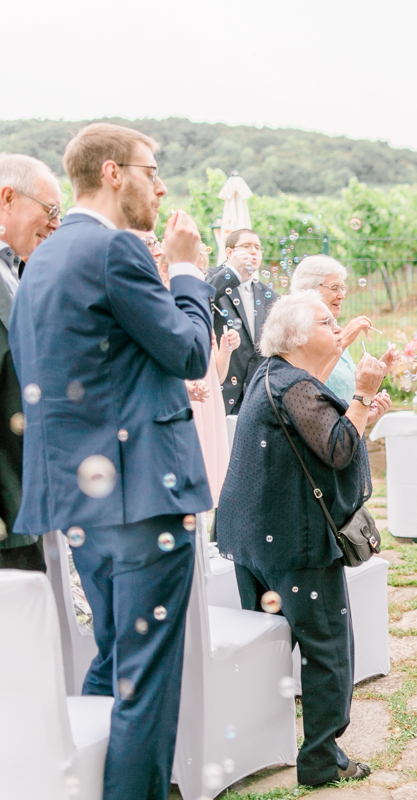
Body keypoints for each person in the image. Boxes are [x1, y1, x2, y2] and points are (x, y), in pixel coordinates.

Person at [11, 122, 214, 800]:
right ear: (111, 173)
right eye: (150, 169)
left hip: (80, 505)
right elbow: (188, 352)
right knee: (146, 689)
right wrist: (186, 270)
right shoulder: (117, 247)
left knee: (117, 662)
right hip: (142, 497)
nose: (161, 185)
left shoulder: (39, 262)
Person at [216, 291, 393, 787]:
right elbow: (338, 449)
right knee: (329, 652)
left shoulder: (270, 374)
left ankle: (255, 745)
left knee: (269, 649)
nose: (337, 329)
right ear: (296, 337)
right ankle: (320, 758)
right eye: (326, 321)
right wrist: (360, 396)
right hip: (293, 542)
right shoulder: (297, 385)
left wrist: (362, 413)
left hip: (253, 536)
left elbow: (313, 440)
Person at [135, 228, 238, 502]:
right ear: (169, 270)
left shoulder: (200, 307)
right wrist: (185, 386)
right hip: (183, 399)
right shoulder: (162, 304)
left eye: (202, 271)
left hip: (208, 399)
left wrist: (226, 349)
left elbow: (215, 374)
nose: (201, 279)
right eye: (195, 270)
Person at [0, 153, 61, 571]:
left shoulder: (17, 271)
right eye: (50, 210)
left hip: (25, 495)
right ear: (7, 197)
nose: (56, 223)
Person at [208, 228, 277, 414]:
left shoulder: (269, 295)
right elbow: (202, 299)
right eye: (246, 246)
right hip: (220, 392)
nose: (253, 251)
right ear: (229, 252)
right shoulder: (212, 279)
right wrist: (232, 272)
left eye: (257, 247)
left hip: (256, 399)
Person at [290, 255, 375, 402]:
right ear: (307, 289)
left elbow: (346, 392)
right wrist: (343, 341)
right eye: (334, 288)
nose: (341, 295)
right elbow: (305, 394)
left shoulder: (334, 330)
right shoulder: (298, 334)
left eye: (343, 288)